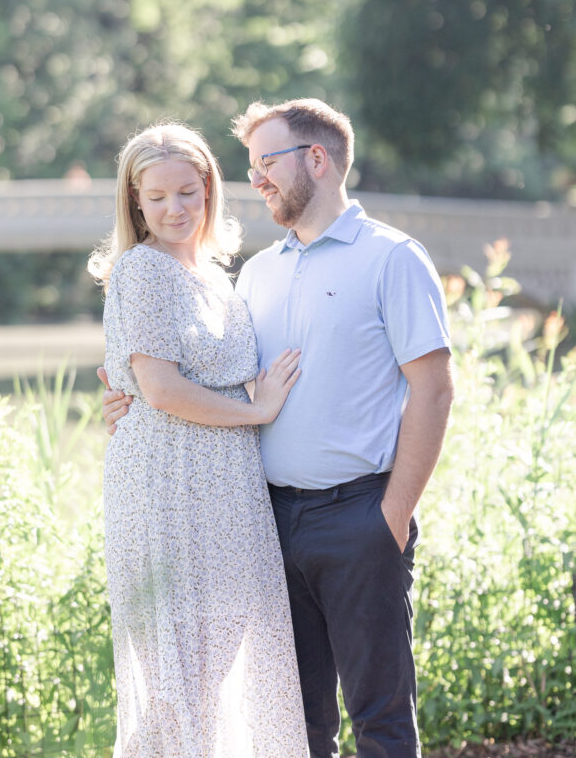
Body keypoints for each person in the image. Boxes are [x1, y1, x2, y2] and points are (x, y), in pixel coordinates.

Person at [101, 99, 454, 758]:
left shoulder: (391, 258)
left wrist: (393, 514)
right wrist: (133, 401)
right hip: (260, 521)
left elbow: (432, 392)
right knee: (292, 721)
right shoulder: (254, 273)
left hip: (357, 515)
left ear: (315, 159)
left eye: (267, 162)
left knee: (378, 714)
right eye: (250, 165)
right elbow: (186, 378)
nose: (256, 178)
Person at [88, 122, 309, 758]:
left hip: (227, 493)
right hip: (169, 489)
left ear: (209, 189)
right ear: (135, 201)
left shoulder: (215, 275)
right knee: (175, 682)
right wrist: (257, 409)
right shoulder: (142, 270)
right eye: (156, 197)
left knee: (213, 675)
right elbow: (159, 391)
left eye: (188, 192)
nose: (175, 209)